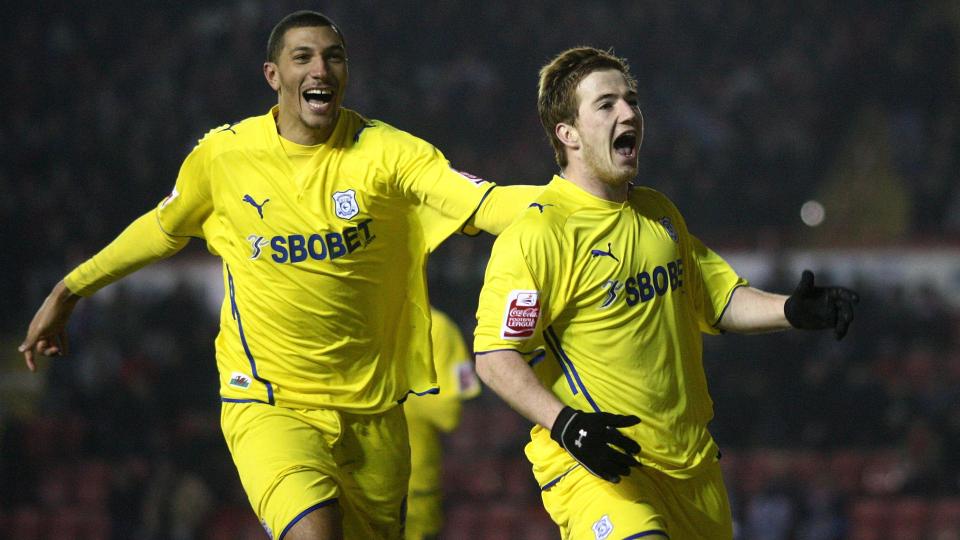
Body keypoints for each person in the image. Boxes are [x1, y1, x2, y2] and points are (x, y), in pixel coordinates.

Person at [19, 10, 539, 540]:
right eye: (303, 57)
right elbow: (161, 229)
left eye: (333, 57)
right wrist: (69, 289)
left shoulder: (388, 153)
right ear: (273, 75)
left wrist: (580, 210)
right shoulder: (225, 157)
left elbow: (487, 202)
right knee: (315, 532)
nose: (321, 68)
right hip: (270, 402)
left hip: (375, 413)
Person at [473, 47, 859, 539]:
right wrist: (567, 424)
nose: (629, 112)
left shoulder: (658, 213)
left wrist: (792, 310)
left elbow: (715, 300)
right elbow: (494, 355)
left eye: (631, 100)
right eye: (606, 104)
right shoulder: (538, 234)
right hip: (600, 465)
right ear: (567, 134)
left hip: (691, 467)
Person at [404, 306, 481, 540]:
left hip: (413, 494)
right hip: (352, 483)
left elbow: (449, 413)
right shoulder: (354, 319)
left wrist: (388, 391)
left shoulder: (438, 328)